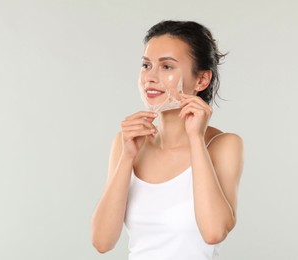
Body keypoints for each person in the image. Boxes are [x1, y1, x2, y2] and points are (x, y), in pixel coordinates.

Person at [91, 20, 244, 260]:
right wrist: (127, 157)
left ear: (202, 80)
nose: (150, 78)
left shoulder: (223, 145)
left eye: (167, 67)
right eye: (146, 65)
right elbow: (102, 241)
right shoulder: (126, 142)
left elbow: (214, 232)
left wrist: (195, 138)